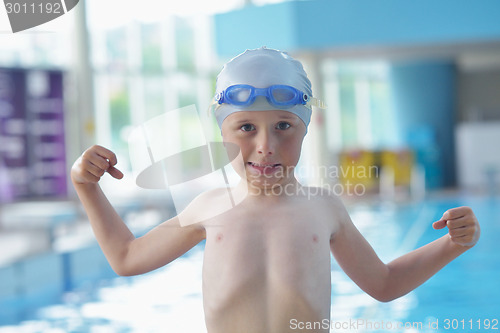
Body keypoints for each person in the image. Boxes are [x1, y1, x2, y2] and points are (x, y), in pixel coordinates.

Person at [71, 47, 480, 333]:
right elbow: (126, 258)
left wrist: (452, 245)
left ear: (305, 130)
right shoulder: (209, 207)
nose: (265, 145)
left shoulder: (324, 208)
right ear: (222, 132)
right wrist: (86, 187)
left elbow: (384, 284)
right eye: (246, 127)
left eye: (283, 126)